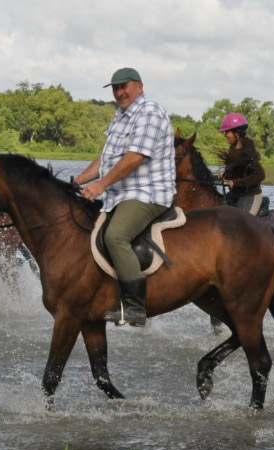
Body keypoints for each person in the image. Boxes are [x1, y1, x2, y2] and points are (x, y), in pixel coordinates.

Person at [74, 67, 176, 326]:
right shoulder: (120, 116)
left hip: (148, 193)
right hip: (119, 193)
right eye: (115, 88)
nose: (119, 93)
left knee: (115, 236)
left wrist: (101, 185)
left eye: (124, 86)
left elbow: (135, 157)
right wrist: (78, 181)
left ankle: (135, 308)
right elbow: (106, 158)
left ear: (139, 87)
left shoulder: (150, 112)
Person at [216, 113, 265, 212]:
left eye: (227, 132)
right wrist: (226, 175)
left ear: (237, 133)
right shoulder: (233, 149)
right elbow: (239, 171)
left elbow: (260, 175)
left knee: (240, 221)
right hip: (235, 195)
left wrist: (236, 182)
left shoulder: (248, 152)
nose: (225, 135)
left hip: (250, 196)